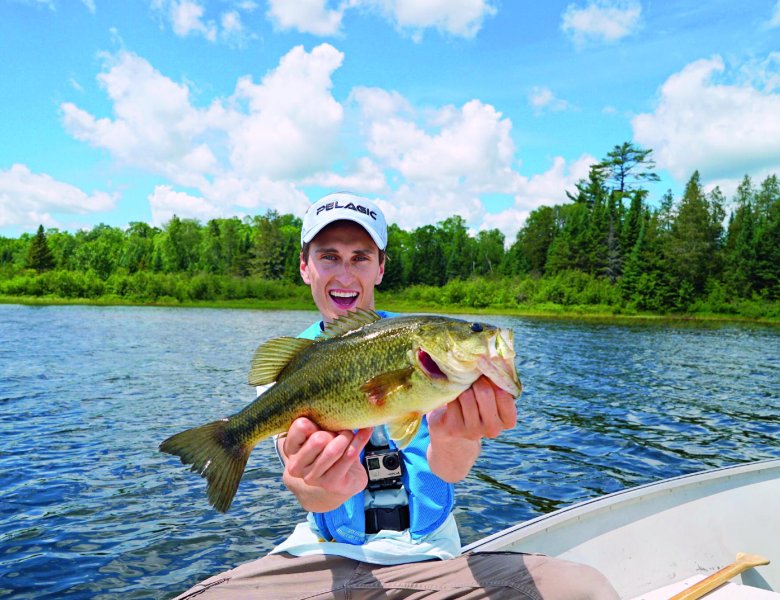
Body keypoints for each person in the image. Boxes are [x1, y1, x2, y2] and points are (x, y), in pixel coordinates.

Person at [173, 193, 619, 599]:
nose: (345, 273)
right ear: (305, 265)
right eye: (329, 256)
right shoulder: (293, 367)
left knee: (585, 590)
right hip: (326, 553)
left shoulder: (431, 361)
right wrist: (317, 486)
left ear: (381, 267)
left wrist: (458, 437)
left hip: (428, 557)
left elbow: (448, 469)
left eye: (360, 257)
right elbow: (307, 491)